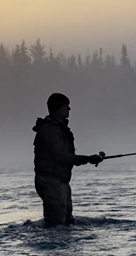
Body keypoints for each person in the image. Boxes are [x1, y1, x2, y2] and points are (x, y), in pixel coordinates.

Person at [33, 93, 104, 227]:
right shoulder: (50, 130)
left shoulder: (58, 128)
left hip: (61, 181)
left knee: (66, 222)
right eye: (66, 106)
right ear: (57, 108)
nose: (69, 109)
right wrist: (88, 159)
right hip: (51, 182)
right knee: (56, 225)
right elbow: (62, 156)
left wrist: (89, 159)